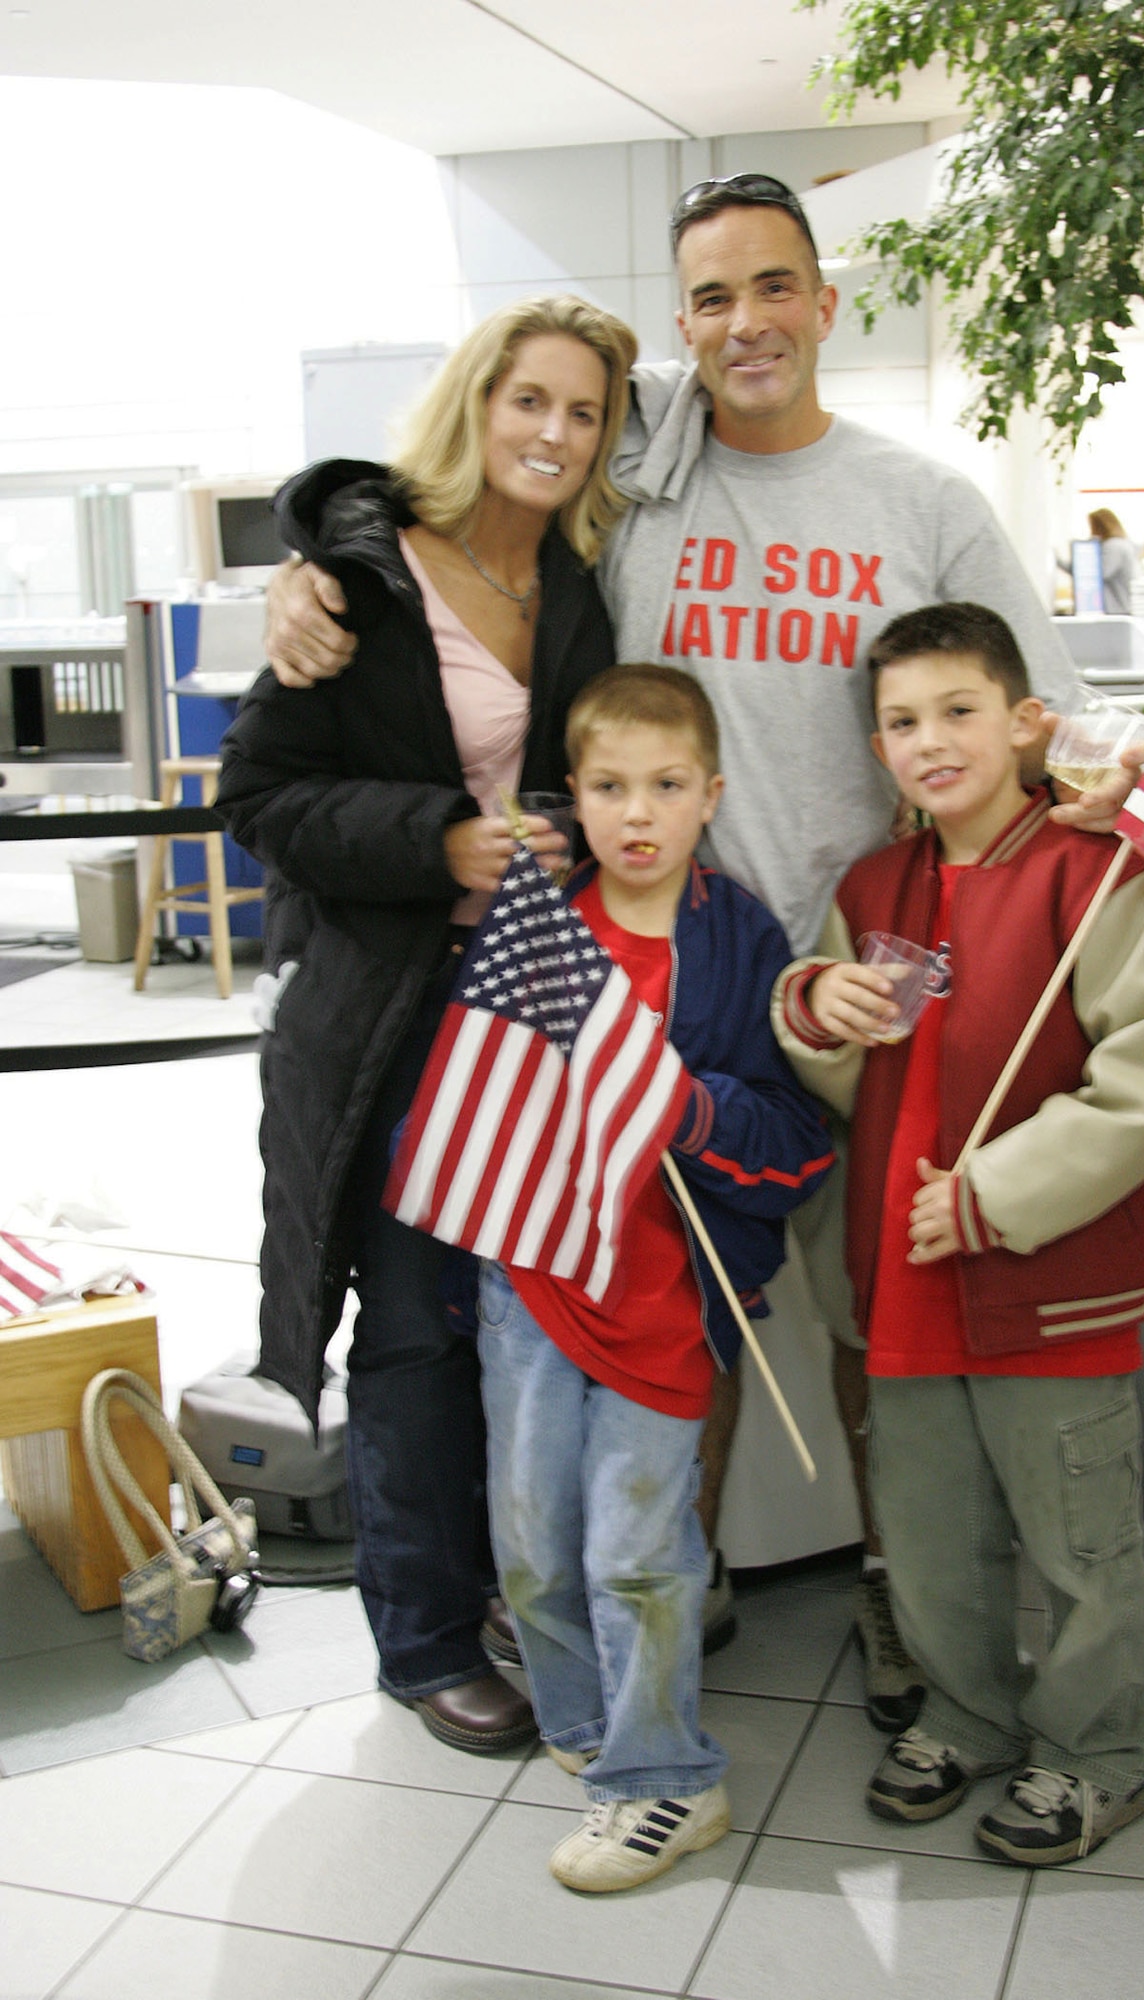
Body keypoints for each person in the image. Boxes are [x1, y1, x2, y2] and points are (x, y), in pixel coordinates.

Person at [258, 173, 1144, 1725]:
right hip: (663, 970)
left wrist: (1119, 782)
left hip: (876, 966)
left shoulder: (921, 498)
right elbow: (451, 459)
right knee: (673, 1287)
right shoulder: (642, 470)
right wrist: (311, 556)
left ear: (827, 300)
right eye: (715, 298)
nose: (749, 323)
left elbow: (1039, 709)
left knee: (886, 1320)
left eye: (776, 288)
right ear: (683, 327)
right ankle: (676, 1574)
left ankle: (900, 1593)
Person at [215, 294, 638, 1756]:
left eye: (582, 413)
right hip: (394, 1014)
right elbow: (254, 799)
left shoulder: (578, 583)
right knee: (408, 1329)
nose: (553, 432)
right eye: (530, 400)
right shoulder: (363, 576)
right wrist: (438, 839)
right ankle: (422, 1637)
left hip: (535, 1006)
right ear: (478, 401)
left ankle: (522, 1589)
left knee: (527, 1322)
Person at [775, 601, 1144, 1864]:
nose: (931, 739)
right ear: (877, 748)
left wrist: (995, 1194)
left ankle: (1101, 1748)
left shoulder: (1102, 873)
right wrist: (815, 1007)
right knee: (929, 1530)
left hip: (1051, 1281)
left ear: (1027, 721)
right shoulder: (870, 888)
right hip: (903, 1287)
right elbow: (849, 1078)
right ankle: (967, 1710)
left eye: (959, 709)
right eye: (902, 721)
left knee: (1079, 1538)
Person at [461, 663, 833, 1892]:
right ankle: (584, 1723)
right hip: (533, 1277)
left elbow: (792, 1134)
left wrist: (683, 1104)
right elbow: (477, 1106)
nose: (638, 812)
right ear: (574, 795)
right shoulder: (540, 926)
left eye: (666, 786)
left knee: (637, 1544)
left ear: (709, 794)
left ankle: (667, 1775)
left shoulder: (741, 940)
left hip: (669, 1295)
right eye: (611, 786)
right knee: (531, 1537)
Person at [1061, 508, 1140, 615]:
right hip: (1120, 608)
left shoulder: (1113, 546)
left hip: (1114, 609)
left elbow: (1098, 573)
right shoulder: (1122, 544)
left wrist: (1061, 562)